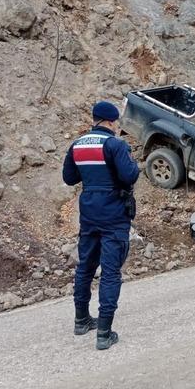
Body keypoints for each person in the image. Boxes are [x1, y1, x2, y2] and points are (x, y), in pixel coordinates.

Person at [62, 101, 140, 351]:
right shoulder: (115, 145)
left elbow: (69, 178)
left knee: (85, 266)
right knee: (110, 271)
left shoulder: (77, 145)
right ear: (109, 121)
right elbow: (129, 176)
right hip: (113, 214)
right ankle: (105, 333)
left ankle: (81, 320)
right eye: (116, 122)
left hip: (88, 213)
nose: (117, 126)